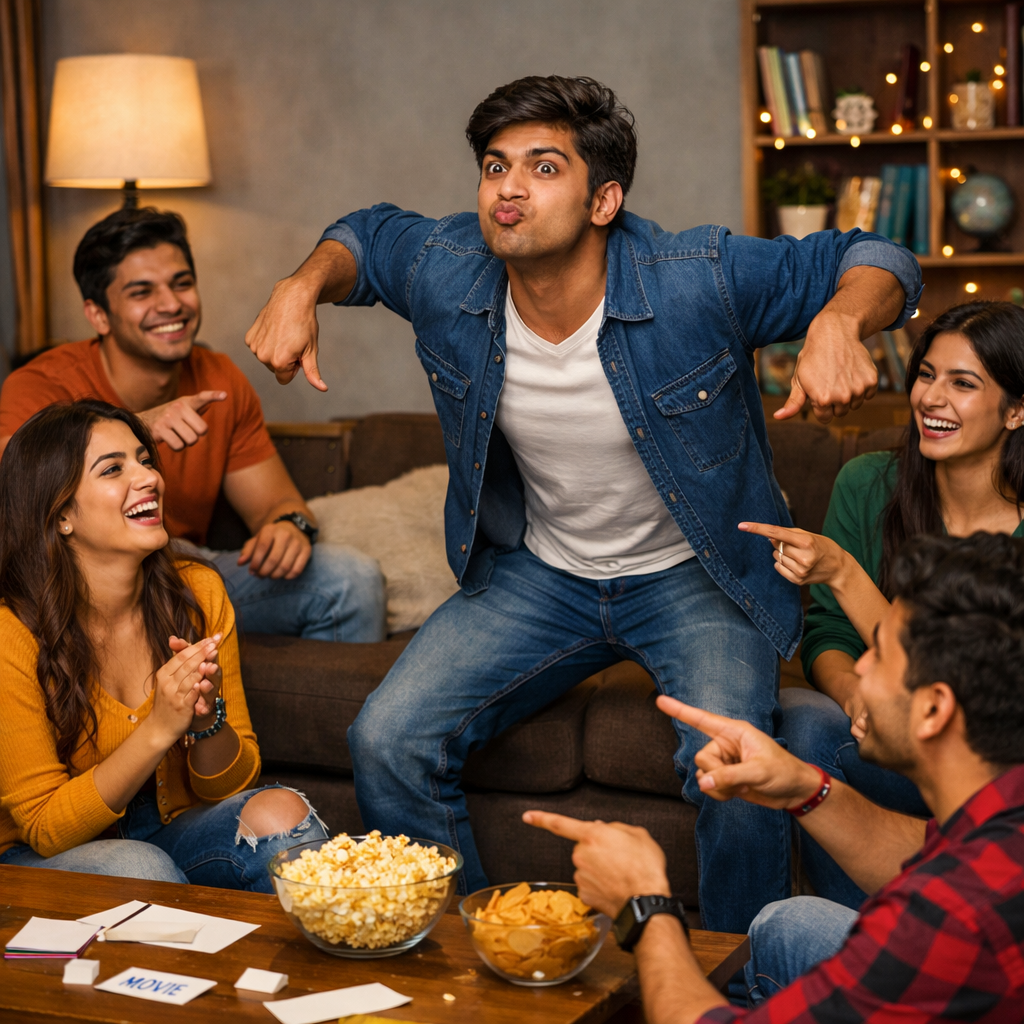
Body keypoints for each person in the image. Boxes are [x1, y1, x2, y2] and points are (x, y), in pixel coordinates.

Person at [243, 74, 922, 932]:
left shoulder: (695, 278)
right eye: (495, 167)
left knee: (734, 764)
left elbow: (882, 260)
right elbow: (366, 238)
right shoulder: (450, 269)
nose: (509, 189)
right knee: (388, 736)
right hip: (544, 573)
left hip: (695, 575)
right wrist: (300, 286)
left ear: (606, 200)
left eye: (543, 167)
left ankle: (738, 981)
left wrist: (839, 322)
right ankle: (462, 959)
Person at [526, 532, 1024, 1022]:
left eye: (881, 654)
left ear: (934, 708)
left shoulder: (945, 923)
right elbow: (925, 851)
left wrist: (646, 909)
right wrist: (808, 790)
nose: (861, 668)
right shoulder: (1001, 817)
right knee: (788, 924)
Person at [739, 301, 1024, 908]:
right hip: (890, 741)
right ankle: (858, 939)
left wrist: (842, 571)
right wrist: (856, 698)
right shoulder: (870, 484)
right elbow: (827, 635)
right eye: (926, 374)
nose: (931, 398)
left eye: (963, 383)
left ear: (1018, 410)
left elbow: (966, 677)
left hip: (995, 768)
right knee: (804, 719)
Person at [0, 207, 385, 643]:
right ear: (98, 315)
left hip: (183, 573)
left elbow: (277, 503)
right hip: (80, 584)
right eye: (141, 292)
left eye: (181, 283)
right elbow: (18, 503)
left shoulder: (218, 379)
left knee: (352, 580)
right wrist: (137, 427)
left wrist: (288, 527)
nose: (171, 304)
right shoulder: (40, 384)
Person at [0, 400, 329, 887]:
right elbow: (47, 829)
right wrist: (158, 728)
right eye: (113, 469)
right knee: (142, 868)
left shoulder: (198, 593)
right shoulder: (12, 632)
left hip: (169, 829)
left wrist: (205, 719)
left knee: (285, 815)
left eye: (145, 459)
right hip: (38, 856)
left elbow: (232, 786)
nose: (148, 477)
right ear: (61, 513)